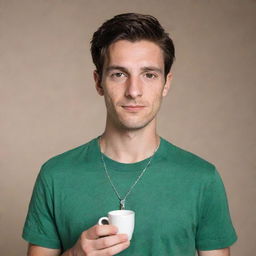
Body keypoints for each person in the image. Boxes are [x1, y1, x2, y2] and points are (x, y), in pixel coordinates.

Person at [22, 13, 237, 256]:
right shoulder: (55, 175)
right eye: (119, 74)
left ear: (166, 83)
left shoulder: (202, 179)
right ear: (98, 82)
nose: (134, 91)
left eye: (149, 75)